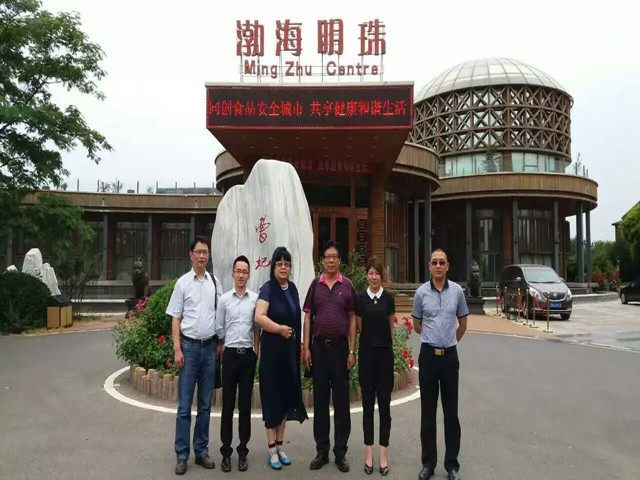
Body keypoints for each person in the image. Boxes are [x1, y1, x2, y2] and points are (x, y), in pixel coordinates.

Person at [166, 235, 222, 475]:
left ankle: (201, 451)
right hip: (188, 349)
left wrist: (220, 342)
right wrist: (177, 348)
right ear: (191, 255)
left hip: (209, 349)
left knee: (206, 406)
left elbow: (219, 314)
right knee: (184, 406)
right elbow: (175, 317)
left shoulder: (214, 282)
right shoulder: (182, 283)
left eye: (205, 252)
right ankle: (182, 455)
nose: (202, 256)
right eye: (198, 252)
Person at [412, 249, 469, 480]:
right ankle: (428, 463)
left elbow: (463, 324)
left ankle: (452, 465)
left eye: (441, 262)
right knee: (427, 413)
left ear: (447, 266)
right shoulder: (420, 293)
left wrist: (449, 341)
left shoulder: (457, 291)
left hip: (449, 357)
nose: (438, 266)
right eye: (434, 262)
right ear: (429, 266)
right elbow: (417, 324)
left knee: (451, 412)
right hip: (428, 356)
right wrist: (433, 337)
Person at [303, 240, 358, 473]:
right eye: (327, 257)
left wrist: (352, 350)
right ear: (322, 261)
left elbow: (353, 318)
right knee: (321, 401)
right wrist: (306, 348)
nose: (331, 260)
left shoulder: (348, 286)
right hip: (319, 349)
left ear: (339, 260)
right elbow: (308, 317)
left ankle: (340, 452)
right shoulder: (315, 285)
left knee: (342, 402)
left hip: (340, 350)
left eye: (335, 256)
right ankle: (322, 451)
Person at [255, 246, 308, 470]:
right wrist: (279, 329)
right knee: (272, 397)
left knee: (285, 397)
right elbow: (259, 317)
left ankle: (280, 445)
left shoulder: (293, 288)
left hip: (289, 353)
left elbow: (298, 319)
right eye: (279, 264)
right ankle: (271, 449)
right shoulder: (268, 289)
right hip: (272, 353)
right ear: (273, 267)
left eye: (287, 264)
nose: (283, 267)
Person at [215, 255, 259, 473]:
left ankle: (243, 452)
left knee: (245, 406)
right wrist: (224, 347)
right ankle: (226, 452)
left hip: (248, 356)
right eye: (238, 271)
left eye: (244, 271)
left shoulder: (255, 299)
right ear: (233, 274)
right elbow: (219, 327)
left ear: (249, 275)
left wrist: (256, 349)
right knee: (227, 406)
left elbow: (257, 327)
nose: (241, 275)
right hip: (231, 355)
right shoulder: (224, 300)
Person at [356, 257, 395, 476]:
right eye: (370, 273)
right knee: (368, 406)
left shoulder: (389, 299)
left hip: (385, 357)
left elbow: (390, 330)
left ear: (382, 275)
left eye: (377, 273)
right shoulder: (360, 299)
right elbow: (360, 327)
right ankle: (368, 453)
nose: (373, 277)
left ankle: (383, 454)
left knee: (385, 407)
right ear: (367, 275)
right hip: (367, 357)